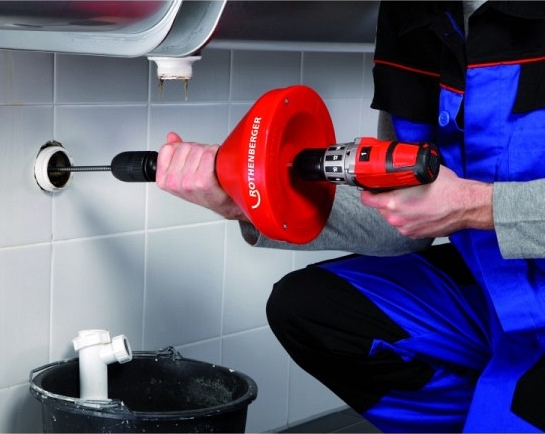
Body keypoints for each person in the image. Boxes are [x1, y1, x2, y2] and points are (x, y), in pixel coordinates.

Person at [155, 2, 545, 432]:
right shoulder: (414, 13)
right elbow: (404, 218)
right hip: (500, 290)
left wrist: (479, 205)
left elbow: (461, 203)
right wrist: (245, 201)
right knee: (311, 308)